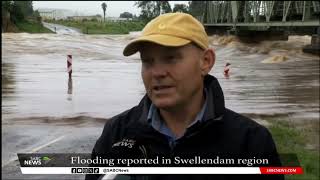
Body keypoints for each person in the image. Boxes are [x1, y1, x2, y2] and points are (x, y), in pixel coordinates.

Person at [86, 13, 283, 180]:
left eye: (171, 58)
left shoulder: (250, 142)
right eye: (147, 61)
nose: (157, 72)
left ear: (206, 62)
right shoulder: (117, 133)